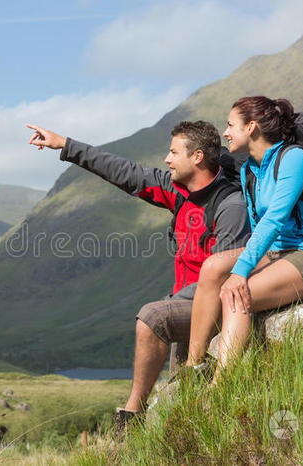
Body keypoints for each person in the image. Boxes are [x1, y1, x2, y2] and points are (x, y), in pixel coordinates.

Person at [26, 121, 250, 427]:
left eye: (173, 152)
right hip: (186, 306)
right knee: (185, 408)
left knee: (152, 318)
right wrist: (65, 145)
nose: (166, 159)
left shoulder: (231, 206)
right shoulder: (179, 192)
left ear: (197, 157)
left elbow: (227, 277)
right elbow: (125, 172)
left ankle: (131, 418)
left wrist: (173, 302)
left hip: (212, 309)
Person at [183, 96, 303, 375]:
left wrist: (241, 271)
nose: (226, 133)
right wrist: (240, 265)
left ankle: (223, 384)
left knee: (236, 294)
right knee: (212, 267)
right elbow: (257, 228)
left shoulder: (294, 159)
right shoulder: (248, 170)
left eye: (231, 125)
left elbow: (275, 219)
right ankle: (194, 366)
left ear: (251, 127)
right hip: (278, 253)